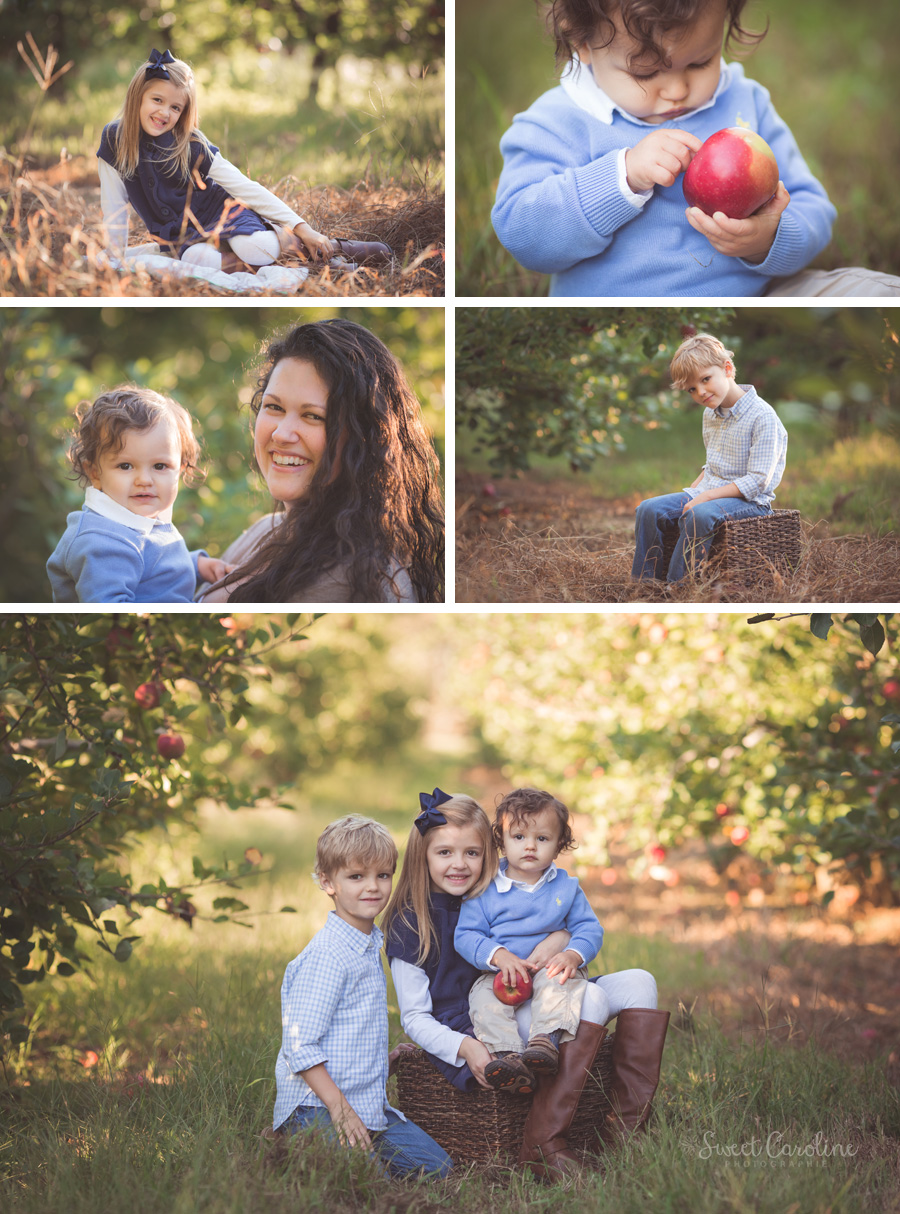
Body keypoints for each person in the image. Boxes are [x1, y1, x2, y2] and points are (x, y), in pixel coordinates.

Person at [491, 0, 900, 298]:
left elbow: (813, 208)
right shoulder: (557, 121)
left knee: (877, 293)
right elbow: (523, 233)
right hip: (627, 306)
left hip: (760, 300)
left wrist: (768, 237)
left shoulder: (745, 103)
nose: (678, 89)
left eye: (701, 62)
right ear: (582, 43)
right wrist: (622, 176)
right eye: (646, 72)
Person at [456, 787, 668, 1179]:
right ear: (501, 840)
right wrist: (498, 956)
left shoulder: (565, 887)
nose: (530, 847)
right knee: (486, 1002)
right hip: (512, 992)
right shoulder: (485, 889)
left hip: (558, 981)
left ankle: (625, 1127)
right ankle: (533, 1115)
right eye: (519, 837)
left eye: (543, 838)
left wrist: (572, 953)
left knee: (641, 980)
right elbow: (467, 936)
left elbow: (588, 928)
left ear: (560, 844)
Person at [196, 319, 445, 603]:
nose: (282, 434)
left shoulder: (359, 576)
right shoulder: (265, 531)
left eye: (313, 416)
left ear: (365, 437)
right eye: (274, 407)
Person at [97, 49, 391, 275]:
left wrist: (304, 228)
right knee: (198, 262)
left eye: (176, 107)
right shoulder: (114, 141)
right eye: (157, 100)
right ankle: (308, 269)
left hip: (226, 215)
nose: (165, 113)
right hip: (184, 239)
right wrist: (114, 260)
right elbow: (114, 210)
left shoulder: (191, 144)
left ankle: (333, 250)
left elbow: (245, 187)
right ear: (138, 97)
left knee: (255, 248)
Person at [272, 814, 453, 1179]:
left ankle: (348, 1143)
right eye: (356, 876)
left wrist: (384, 1059)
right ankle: (292, 1141)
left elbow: (346, 1034)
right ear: (328, 882)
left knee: (437, 1170)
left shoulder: (369, 944)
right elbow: (300, 1045)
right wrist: (340, 1110)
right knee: (365, 1182)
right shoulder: (328, 955)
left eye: (382, 875)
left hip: (365, 1103)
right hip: (317, 1106)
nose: (373, 887)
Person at [46, 386, 230, 603]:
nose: (144, 480)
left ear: (179, 469)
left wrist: (196, 566)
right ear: (94, 472)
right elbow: (110, 619)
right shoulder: (102, 542)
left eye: (160, 466)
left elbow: (149, 571)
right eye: (125, 466)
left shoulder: (134, 520)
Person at [632, 332, 788, 583]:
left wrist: (704, 497)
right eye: (692, 388)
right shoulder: (711, 413)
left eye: (706, 379)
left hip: (751, 502)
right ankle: (645, 584)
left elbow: (758, 480)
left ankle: (679, 588)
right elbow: (714, 463)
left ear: (727, 369)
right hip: (711, 492)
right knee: (650, 509)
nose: (701, 392)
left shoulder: (763, 416)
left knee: (700, 514)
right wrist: (693, 491)